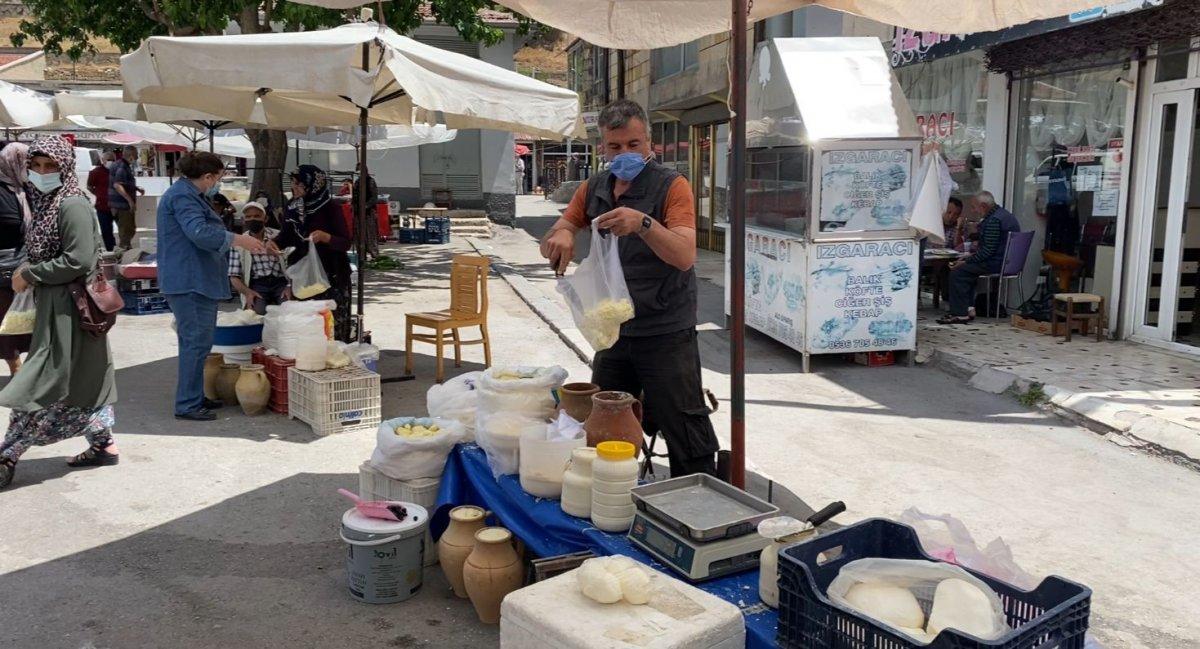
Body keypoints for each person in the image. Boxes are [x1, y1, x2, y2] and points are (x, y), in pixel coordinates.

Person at [539, 99, 719, 478]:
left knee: (683, 425)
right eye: (615, 146)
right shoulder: (595, 187)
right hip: (614, 330)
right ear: (602, 147)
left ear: (649, 142)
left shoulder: (673, 186)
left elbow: (685, 255)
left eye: (633, 144)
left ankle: (696, 497)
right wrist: (562, 236)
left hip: (665, 327)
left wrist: (644, 224)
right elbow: (562, 229)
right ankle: (615, 494)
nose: (624, 154)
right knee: (603, 418)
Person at [0, 136, 118, 489]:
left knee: (43, 382)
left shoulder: (71, 205)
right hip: (55, 307)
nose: (41, 172)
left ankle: (7, 453)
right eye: (35, 166)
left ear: (65, 167)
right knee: (79, 382)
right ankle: (103, 444)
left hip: (71, 311)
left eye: (50, 166)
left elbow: (79, 260)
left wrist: (30, 274)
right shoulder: (46, 201)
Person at [159, 152, 266, 421]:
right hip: (190, 280)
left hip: (191, 278)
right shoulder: (183, 196)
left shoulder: (186, 194)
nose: (217, 183)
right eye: (217, 178)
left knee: (195, 343)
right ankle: (188, 404)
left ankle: (193, 396)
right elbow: (199, 233)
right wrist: (238, 239)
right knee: (196, 343)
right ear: (208, 176)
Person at [274, 164, 353, 341]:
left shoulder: (331, 208)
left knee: (331, 329)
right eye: (292, 183)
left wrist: (326, 237)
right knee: (307, 329)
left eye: (298, 184)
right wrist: (273, 243)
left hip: (331, 277)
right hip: (303, 278)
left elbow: (345, 242)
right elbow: (286, 236)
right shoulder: (292, 207)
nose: (293, 187)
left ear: (312, 186)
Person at [939, 191, 1021, 325]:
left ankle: (960, 314)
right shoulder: (1005, 215)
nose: (973, 210)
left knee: (958, 272)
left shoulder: (994, 220)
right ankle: (969, 309)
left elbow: (987, 252)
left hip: (997, 262)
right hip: (1007, 261)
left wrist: (966, 260)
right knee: (967, 271)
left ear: (982, 206)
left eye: (973, 207)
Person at [0, 142, 32, 375]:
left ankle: (30, 368)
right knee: (6, 321)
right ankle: (15, 368)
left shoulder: (24, 189)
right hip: (3, 268)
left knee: (27, 318)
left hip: (26, 264)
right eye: (24, 163)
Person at [229, 201, 289, 314]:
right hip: (257, 285)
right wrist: (247, 292)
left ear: (265, 219)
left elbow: (292, 264)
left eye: (257, 216)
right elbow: (234, 277)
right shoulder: (239, 242)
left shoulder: (277, 236)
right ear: (243, 220)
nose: (253, 219)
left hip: (280, 283)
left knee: (289, 310)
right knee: (256, 314)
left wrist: (290, 286)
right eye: (248, 217)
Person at [109, 145, 144, 251]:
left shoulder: (119, 164)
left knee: (127, 230)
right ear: (131, 156)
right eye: (136, 155)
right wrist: (130, 201)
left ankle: (125, 249)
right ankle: (124, 253)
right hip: (122, 205)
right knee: (127, 231)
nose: (137, 158)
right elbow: (117, 185)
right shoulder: (122, 167)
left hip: (116, 204)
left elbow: (123, 183)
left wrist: (136, 188)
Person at [88, 150, 115, 251]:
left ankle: (121, 249)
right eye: (109, 160)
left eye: (113, 160)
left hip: (117, 206)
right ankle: (110, 250)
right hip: (102, 206)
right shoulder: (96, 172)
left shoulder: (116, 171)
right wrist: (98, 193)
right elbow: (89, 186)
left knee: (123, 231)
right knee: (106, 230)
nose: (111, 162)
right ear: (103, 160)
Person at [352, 167, 380, 260]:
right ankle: (361, 255)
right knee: (359, 234)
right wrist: (354, 206)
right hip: (357, 213)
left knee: (370, 233)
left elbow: (374, 198)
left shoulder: (371, 181)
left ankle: (374, 254)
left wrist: (366, 206)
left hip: (368, 213)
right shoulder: (357, 182)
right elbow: (354, 196)